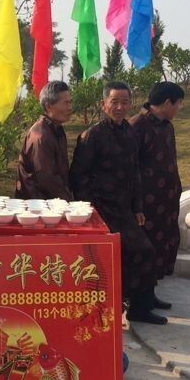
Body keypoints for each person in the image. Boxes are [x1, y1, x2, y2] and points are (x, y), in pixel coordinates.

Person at [69, 81, 166, 325]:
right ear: (104, 104)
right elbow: (78, 177)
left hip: (124, 208)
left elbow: (135, 172)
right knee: (116, 257)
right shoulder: (92, 136)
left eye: (124, 102)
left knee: (144, 251)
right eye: (115, 102)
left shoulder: (130, 132)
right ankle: (115, 307)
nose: (120, 107)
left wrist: (138, 207)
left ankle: (140, 306)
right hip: (100, 209)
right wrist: (88, 212)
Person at [129, 82, 184, 311]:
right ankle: (138, 302)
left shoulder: (166, 126)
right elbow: (130, 168)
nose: (179, 108)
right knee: (145, 250)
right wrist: (136, 204)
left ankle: (149, 295)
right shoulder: (136, 127)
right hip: (145, 204)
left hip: (166, 202)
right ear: (167, 103)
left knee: (161, 248)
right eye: (178, 103)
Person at [14, 80, 73, 200]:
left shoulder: (57, 130)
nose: (70, 108)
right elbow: (46, 179)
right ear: (48, 106)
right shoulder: (41, 135)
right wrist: (70, 202)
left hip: (51, 203)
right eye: (65, 103)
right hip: (37, 206)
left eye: (70, 103)